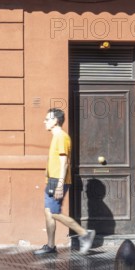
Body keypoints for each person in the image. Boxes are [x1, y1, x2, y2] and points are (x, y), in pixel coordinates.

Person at [34, 108, 95, 255]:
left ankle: (84, 234)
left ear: (55, 121)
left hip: (57, 181)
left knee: (54, 213)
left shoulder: (61, 137)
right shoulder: (56, 137)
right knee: (49, 213)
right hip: (52, 180)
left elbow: (64, 162)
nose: (44, 121)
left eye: (47, 119)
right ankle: (50, 246)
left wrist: (60, 183)